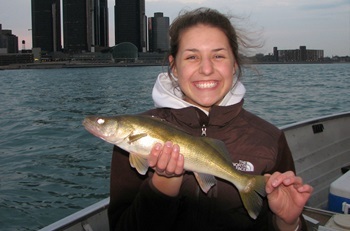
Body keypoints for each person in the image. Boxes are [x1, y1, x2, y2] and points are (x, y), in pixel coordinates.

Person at [108, 7, 313, 231]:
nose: (206, 69)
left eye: (218, 56)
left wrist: (288, 222)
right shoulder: (132, 140)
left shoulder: (270, 138)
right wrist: (163, 186)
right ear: (174, 66)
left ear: (234, 63)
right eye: (192, 57)